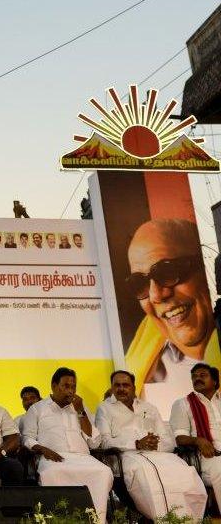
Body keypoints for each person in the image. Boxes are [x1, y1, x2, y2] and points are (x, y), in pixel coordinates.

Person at [124, 219, 217, 411]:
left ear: (202, 264)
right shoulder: (143, 361)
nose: (156, 295)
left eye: (167, 271)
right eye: (139, 284)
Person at [97, 370, 206, 520]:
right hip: (128, 455)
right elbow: (104, 441)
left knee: (183, 472)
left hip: (159, 454)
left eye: (126, 385)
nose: (121, 388)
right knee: (148, 476)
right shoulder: (104, 408)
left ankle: (190, 519)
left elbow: (168, 438)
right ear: (112, 387)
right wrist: (136, 444)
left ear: (134, 387)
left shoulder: (149, 407)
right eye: (117, 385)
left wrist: (156, 445)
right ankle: (163, 519)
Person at [22, 367, 112, 522]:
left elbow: (94, 441)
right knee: (52, 474)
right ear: (54, 386)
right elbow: (27, 438)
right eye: (66, 386)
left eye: (73, 387)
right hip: (52, 458)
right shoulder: (37, 409)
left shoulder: (80, 408)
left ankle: (96, 520)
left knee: (103, 472)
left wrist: (81, 412)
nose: (70, 391)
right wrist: (42, 449)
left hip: (83, 458)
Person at [169, 363, 221, 506]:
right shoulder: (183, 404)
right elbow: (179, 438)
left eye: (203, 375)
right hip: (208, 457)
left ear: (215, 381)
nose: (197, 378)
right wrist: (198, 440)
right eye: (194, 376)